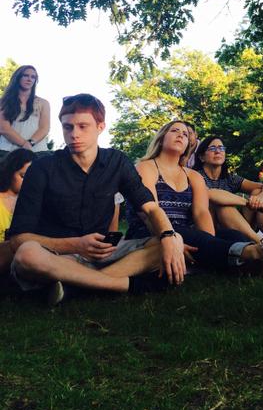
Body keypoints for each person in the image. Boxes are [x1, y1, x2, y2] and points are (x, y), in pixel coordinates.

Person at [7, 93, 188, 306]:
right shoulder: (41, 167)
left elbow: (150, 208)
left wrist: (169, 236)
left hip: (103, 253)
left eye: (83, 126)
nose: (74, 134)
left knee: (169, 242)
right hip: (56, 255)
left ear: (100, 127)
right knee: (26, 254)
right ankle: (125, 285)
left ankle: (75, 287)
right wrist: (76, 245)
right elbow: (19, 238)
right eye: (68, 127)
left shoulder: (117, 161)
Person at [126, 120, 263, 275]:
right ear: (161, 139)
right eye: (174, 131)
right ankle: (256, 251)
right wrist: (172, 239)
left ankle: (246, 266)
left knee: (232, 236)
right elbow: (149, 213)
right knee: (193, 237)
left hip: (188, 231)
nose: (181, 135)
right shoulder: (145, 167)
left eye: (185, 134)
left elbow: (201, 213)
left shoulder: (193, 176)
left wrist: (208, 240)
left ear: (188, 146)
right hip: (151, 231)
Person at [194, 135, 263, 243]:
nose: (218, 151)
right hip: (211, 228)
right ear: (201, 157)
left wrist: (260, 199)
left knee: (258, 192)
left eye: (221, 148)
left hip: (237, 227)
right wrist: (248, 202)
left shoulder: (230, 178)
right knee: (223, 207)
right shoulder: (196, 176)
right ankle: (262, 244)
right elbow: (211, 194)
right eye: (212, 148)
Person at [0, 65, 50, 157]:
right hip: (6, 151)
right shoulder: (3, 102)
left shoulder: (43, 103)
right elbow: (3, 128)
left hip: (38, 152)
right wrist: (24, 144)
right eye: (25, 75)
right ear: (17, 78)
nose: (29, 79)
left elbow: (44, 128)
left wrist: (30, 143)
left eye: (33, 77)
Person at [0, 148, 34, 274]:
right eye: (23, 176)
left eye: (32, 177)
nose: (29, 182)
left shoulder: (32, 202)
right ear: (9, 172)